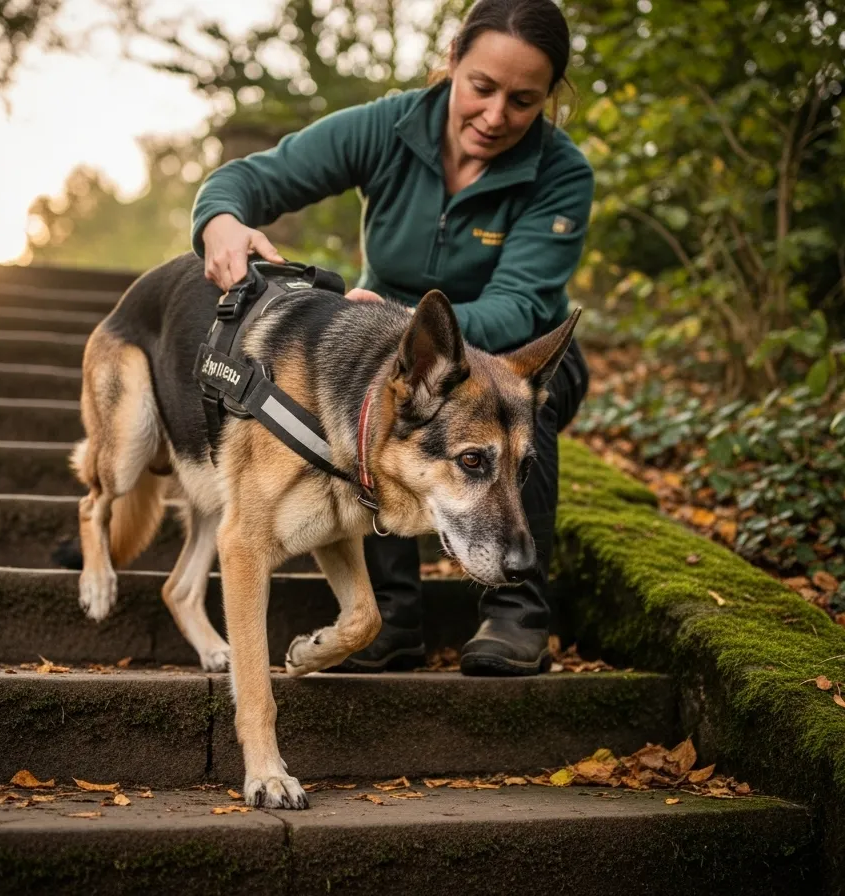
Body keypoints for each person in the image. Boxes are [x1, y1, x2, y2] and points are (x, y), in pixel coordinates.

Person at [191, 0, 592, 677]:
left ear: (549, 99)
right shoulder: (389, 125)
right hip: (398, 342)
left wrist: (408, 328)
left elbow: (518, 303)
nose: (496, 116)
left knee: (512, 413)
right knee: (369, 404)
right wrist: (221, 219)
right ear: (453, 64)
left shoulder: (562, 173)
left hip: (513, 350)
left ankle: (517, 611)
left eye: (523, 101)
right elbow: (252, 177)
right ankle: (392, 618)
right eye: (482, 88)